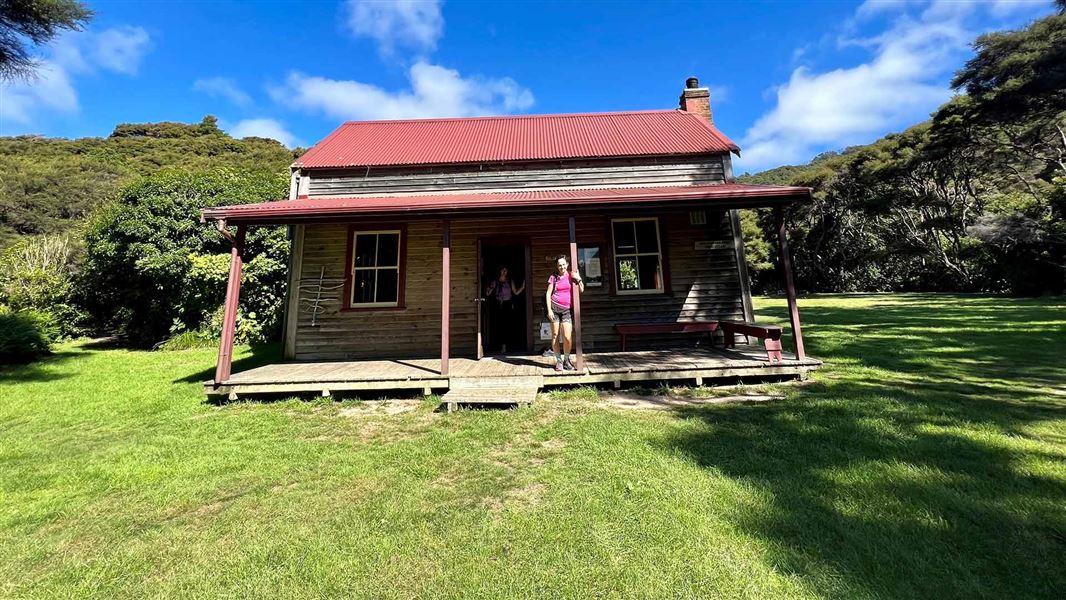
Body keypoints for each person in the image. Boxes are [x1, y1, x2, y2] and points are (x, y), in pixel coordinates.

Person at [545, 254, 584, 371]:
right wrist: (549, 310)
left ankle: (566, 359)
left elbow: (581, 289)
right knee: (555, 335)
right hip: (555, 309)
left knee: (567, 337)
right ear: (557, 266)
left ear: (566, 265)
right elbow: (548, 294)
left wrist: (579, 278)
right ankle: (558, 361)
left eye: (563, 264)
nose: (562, 267)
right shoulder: (554, 277)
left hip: (566, 310)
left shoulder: (571, 276)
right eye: (559, 265)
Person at [485, 265, 525, 353]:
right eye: (502, 270)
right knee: (499, 326)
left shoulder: (510, 281)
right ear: (499, 271)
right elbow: (488, 293)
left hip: (507, 304)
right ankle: (500, 346)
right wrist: (488, 288)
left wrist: (522, 287)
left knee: (507, 325)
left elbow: (515, 292)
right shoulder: (495, 281)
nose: (504, 272)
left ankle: (507, 346)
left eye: (505, 270)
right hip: (498, 305)